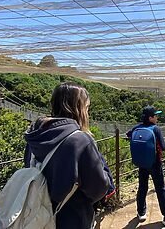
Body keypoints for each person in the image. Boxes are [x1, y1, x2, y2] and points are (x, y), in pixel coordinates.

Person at [24, 82, 111, 229]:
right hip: (73, 218)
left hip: (38, 217)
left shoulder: (34, 136)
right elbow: (99, 188)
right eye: (87, 107)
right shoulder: (80, 140)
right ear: (79, 108)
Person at [126, 106, 165, 228]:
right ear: (150, 118)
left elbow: (128, 134)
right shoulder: (155, 129)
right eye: (155, 115)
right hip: (155, 163)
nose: (157, 117)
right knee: (161, 189)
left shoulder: (137, 127)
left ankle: (141, 213)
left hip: (141, 163)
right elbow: (162, 146)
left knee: (142, 187)